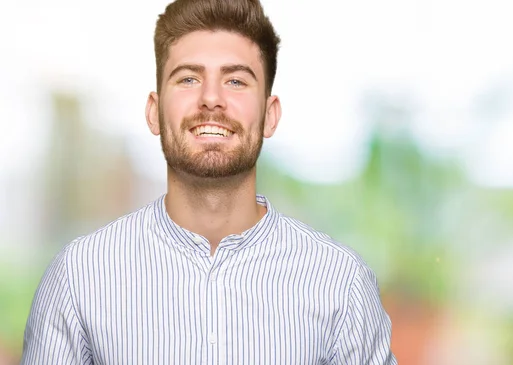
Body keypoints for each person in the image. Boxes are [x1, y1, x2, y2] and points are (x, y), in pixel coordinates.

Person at [21, 0, 397, 363]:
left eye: (235, 81)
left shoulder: (341, 285)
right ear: (154, 112)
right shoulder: (77, 279)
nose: (211, 99)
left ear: (270, 115)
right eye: (188, 78)